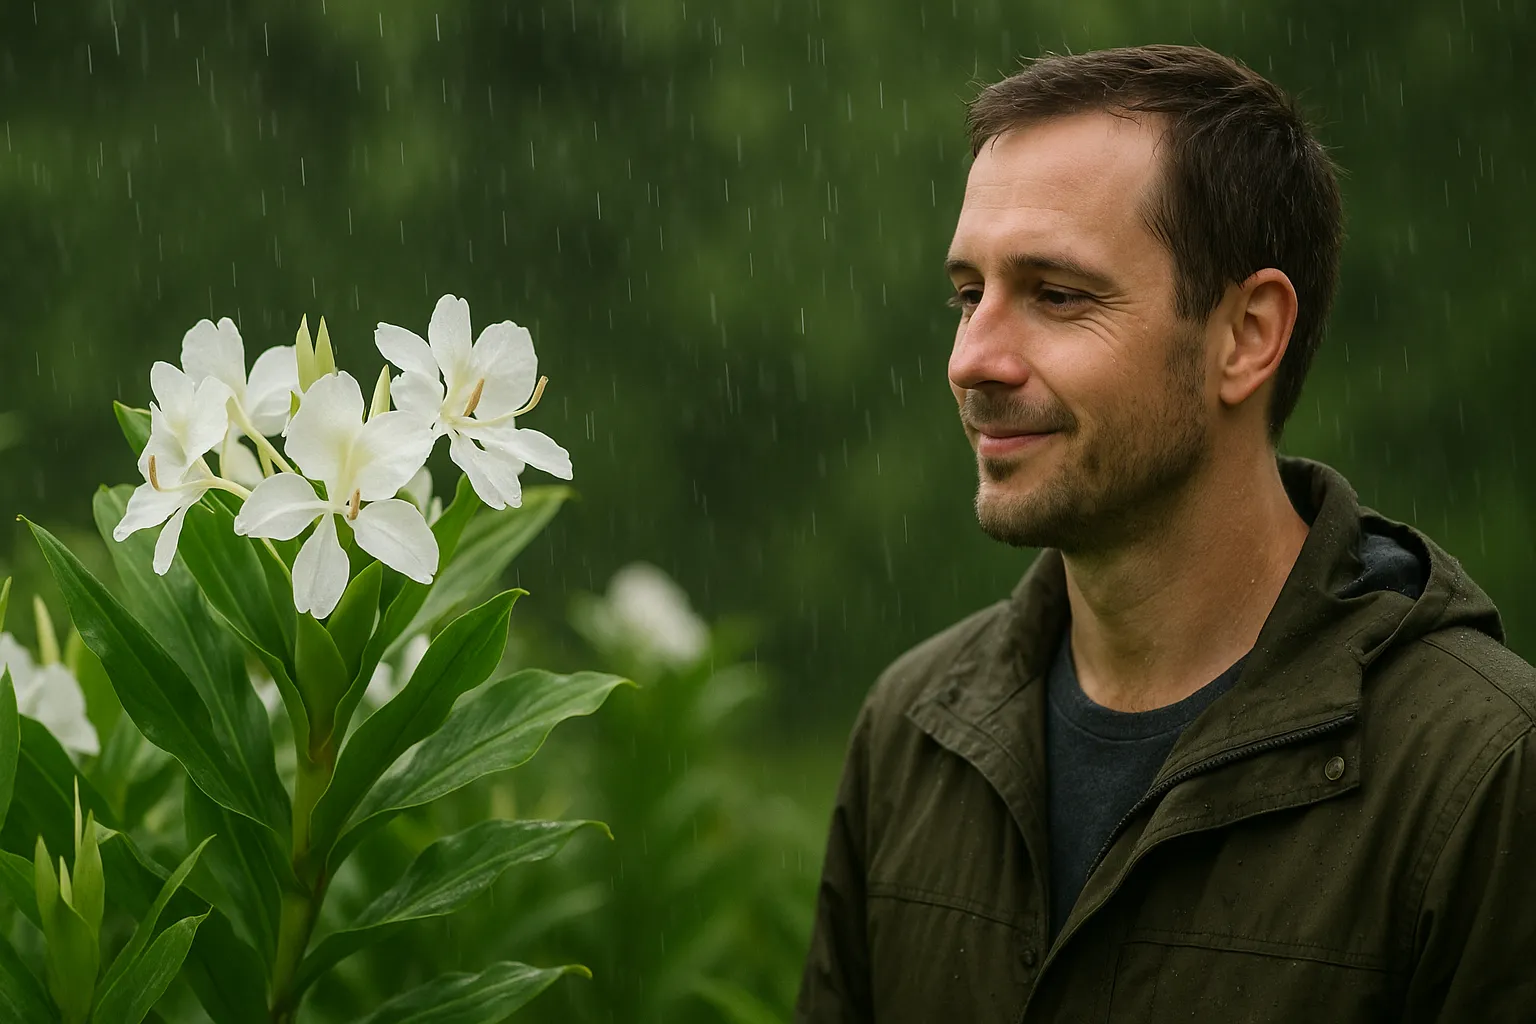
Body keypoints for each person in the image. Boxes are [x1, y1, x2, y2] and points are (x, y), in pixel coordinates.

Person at [795, 44, 1536, 1023]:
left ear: (1248, 334)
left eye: (1058, 294)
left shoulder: (1484, 775)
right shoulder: (912, 734)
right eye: (968, 295)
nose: (972, 358)